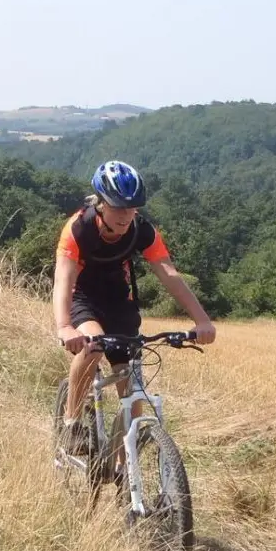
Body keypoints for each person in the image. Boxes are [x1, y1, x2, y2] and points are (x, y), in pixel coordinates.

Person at [52, 160, 216, 450]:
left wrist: (202, 320)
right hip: (83, 297)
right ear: (101, 203)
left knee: (133, 394)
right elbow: (63, 279)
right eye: (118, 206)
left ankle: (123, 467)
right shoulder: (78, 229)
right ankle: (71, 422)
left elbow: (169, 274)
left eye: (133, 207)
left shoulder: (142, 230)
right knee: (93, 347)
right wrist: (65, 327)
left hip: (119, 300)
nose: (126, 215)